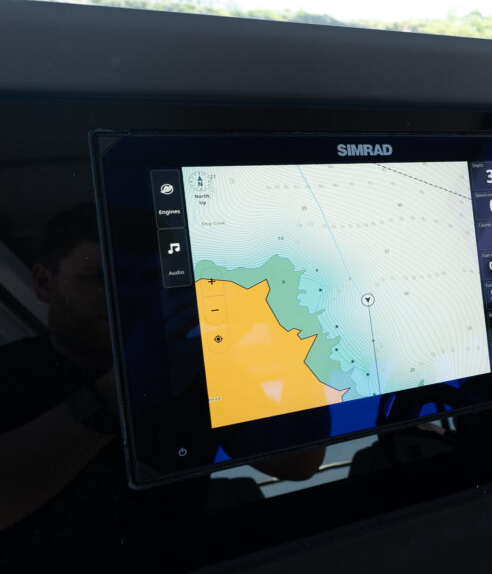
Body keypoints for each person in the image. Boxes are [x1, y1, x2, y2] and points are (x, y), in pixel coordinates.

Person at [0, 203, 324, 549]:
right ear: (43, 282)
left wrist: (279, 340)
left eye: (150, 279)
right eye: (103, 278)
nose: (132, 297)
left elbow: (297, 461)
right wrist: (118, 395)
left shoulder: (195, 372)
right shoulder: (10, 372)